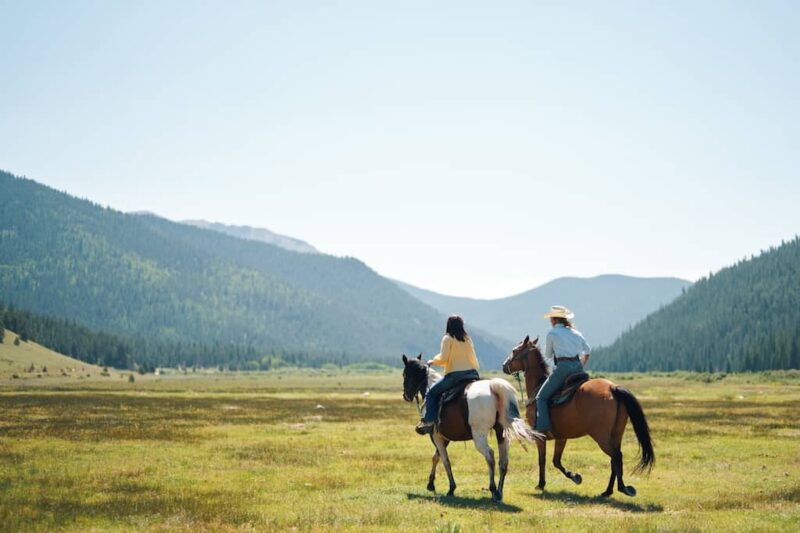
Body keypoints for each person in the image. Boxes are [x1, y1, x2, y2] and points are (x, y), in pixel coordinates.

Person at [416, 315, 480, 435]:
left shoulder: (448, 338)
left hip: (455, 375)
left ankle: (429, 422)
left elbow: (444, 358)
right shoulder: (467, 339)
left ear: (448, 325)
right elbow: (473, 357)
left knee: (431, 393)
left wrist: (433, 361)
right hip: (472, 373)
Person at [534, 305, 591, 435]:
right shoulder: (576, 333)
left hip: (563, 368)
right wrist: (581, 364)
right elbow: (587, 351)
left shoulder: (552, 333)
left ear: (553, 320)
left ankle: (543, 428)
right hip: (578, 367)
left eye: (551, 319)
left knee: (541, 397)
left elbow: (548, 355)